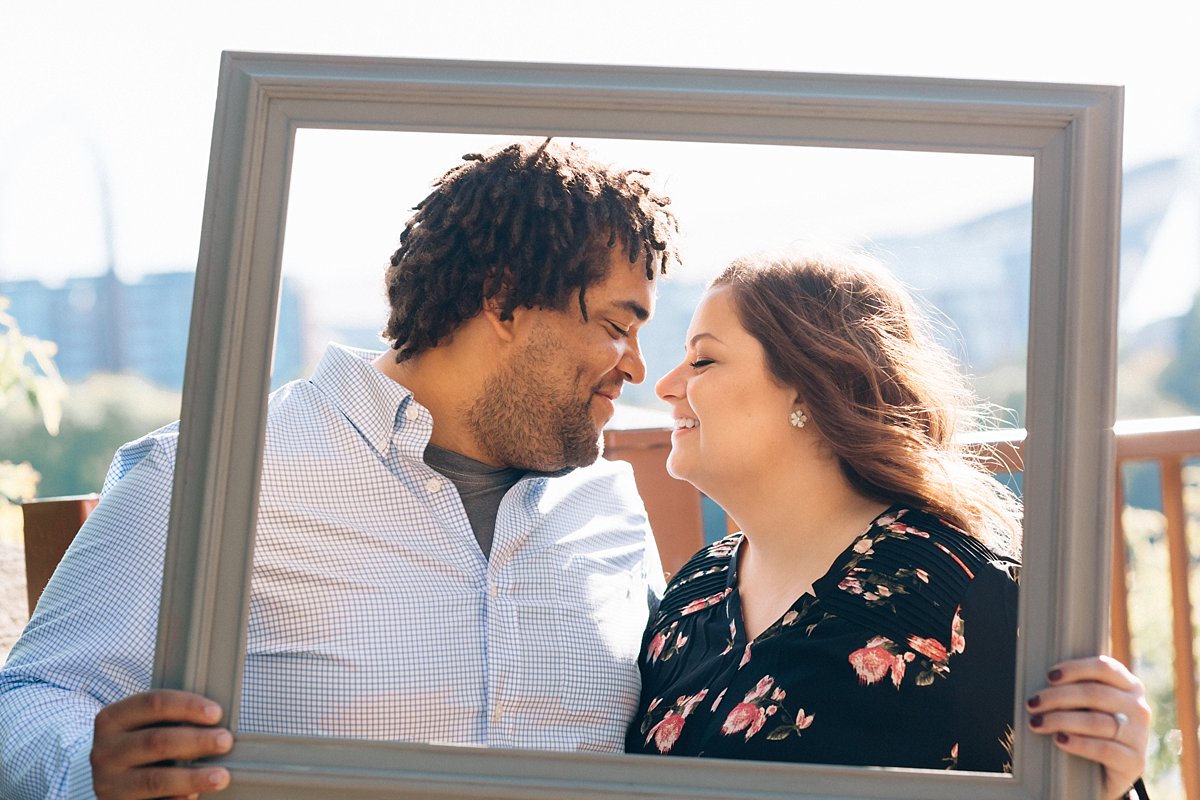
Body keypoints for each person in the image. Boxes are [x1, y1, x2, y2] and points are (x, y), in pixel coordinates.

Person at [0, 140, 1146, 800]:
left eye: (678, 341)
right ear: (505, 301)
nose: (641, 371)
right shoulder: (208, 478)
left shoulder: (614, 510)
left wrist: (1101, 757)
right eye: (618, 322)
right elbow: (27, 706)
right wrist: (84, 766)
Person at [623, 249, 1151, 799]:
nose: (665, 385)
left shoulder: (962, 600)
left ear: (808, 384)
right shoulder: (695, 591)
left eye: (703, 361)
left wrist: (1107, 778)